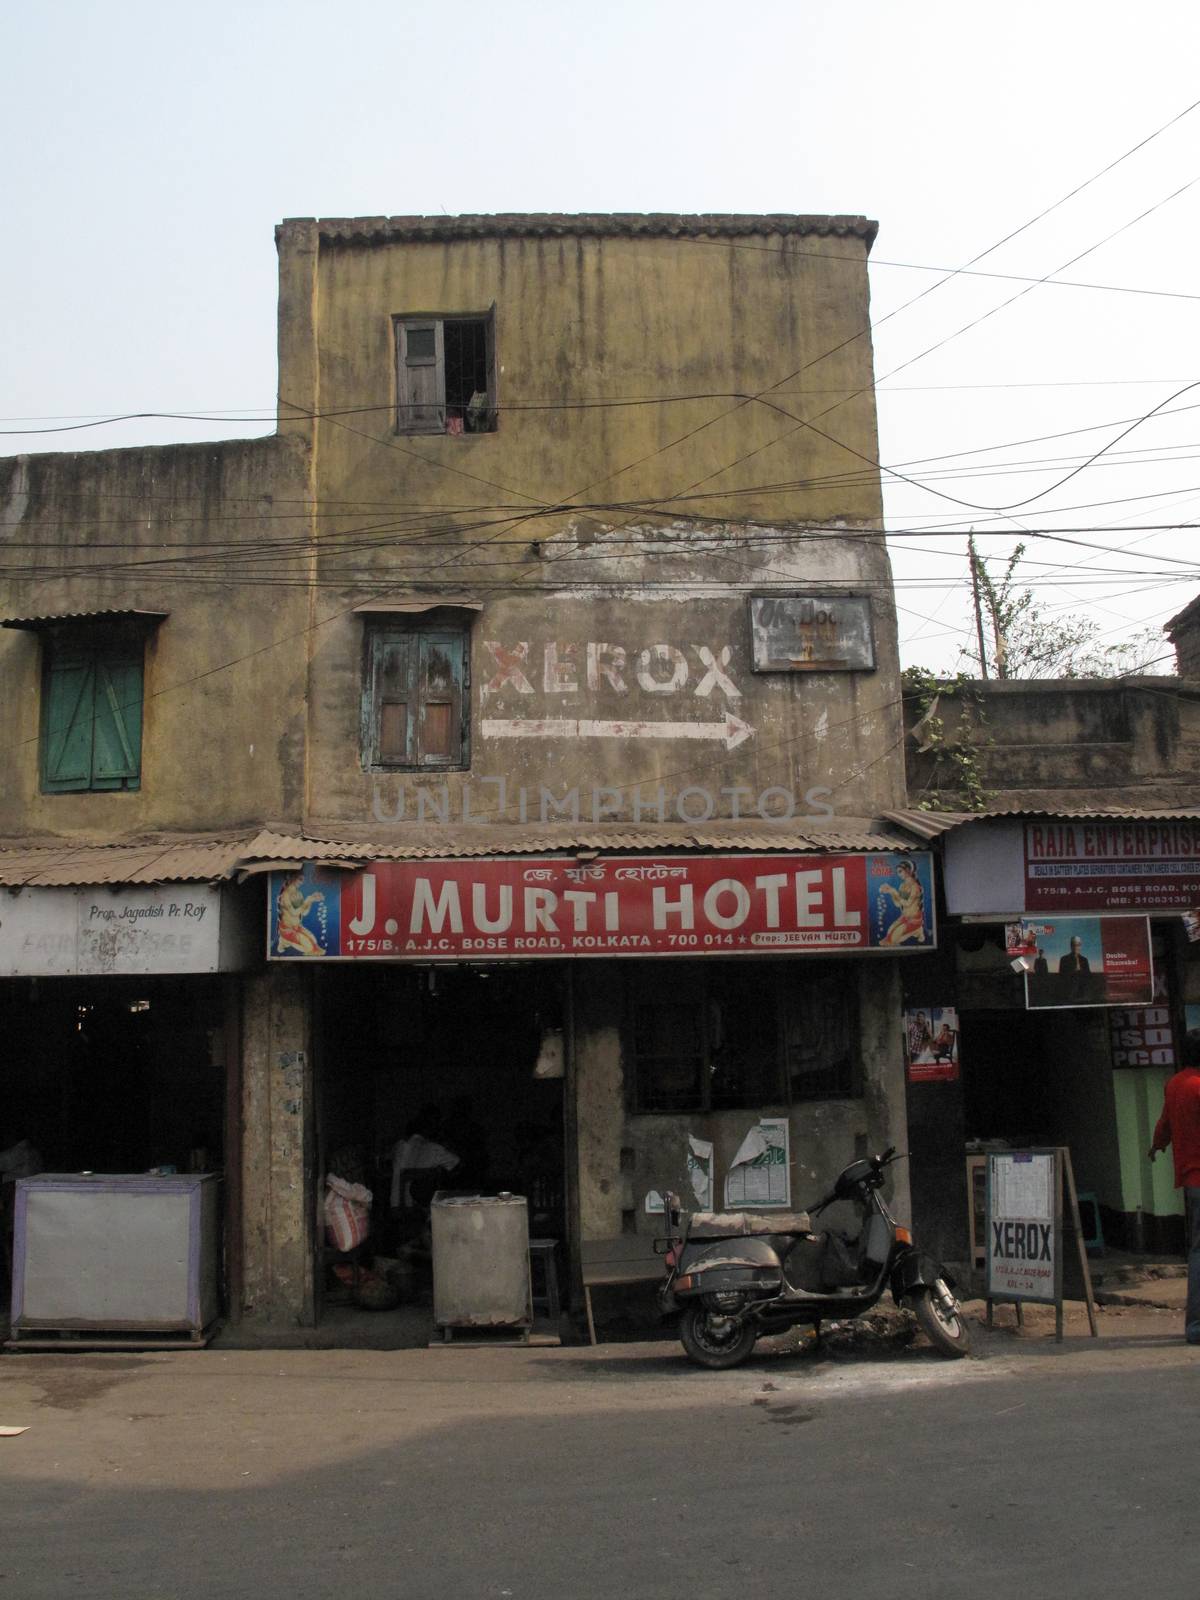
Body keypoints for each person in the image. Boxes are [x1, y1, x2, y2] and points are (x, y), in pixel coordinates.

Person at [1148, 1035, 1200, 1345]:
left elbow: (1164, 1124)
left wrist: (1157, 1146)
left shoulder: (1176, 1084)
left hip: (1192, 1181)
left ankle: (1195, 1326)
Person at [879, 860, 926, 946]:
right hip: (905, 917)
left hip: (914, 919)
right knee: (889, 932)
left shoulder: (915, 887)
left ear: (908, 870)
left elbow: (907, 904)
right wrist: (891, 892)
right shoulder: (902, 886)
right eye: (897, 872)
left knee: (891, 941)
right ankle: (917, 931)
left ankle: (916, 930)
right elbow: (898, 904)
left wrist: (894, 892)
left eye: (900, 871)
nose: (898, 874)